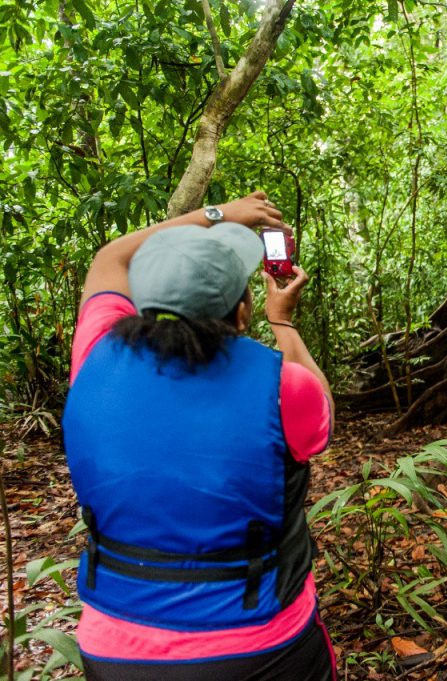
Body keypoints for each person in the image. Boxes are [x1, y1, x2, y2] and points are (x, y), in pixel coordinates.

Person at [62, 192, 337, 680]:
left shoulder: (94, 356)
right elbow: (322, 411)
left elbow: (110, 257)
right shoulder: (283, 387)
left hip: (117, 648)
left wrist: (221, 214)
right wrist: (284, 322)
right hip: (261, 648)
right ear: (242, 311)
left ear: (141, 302)